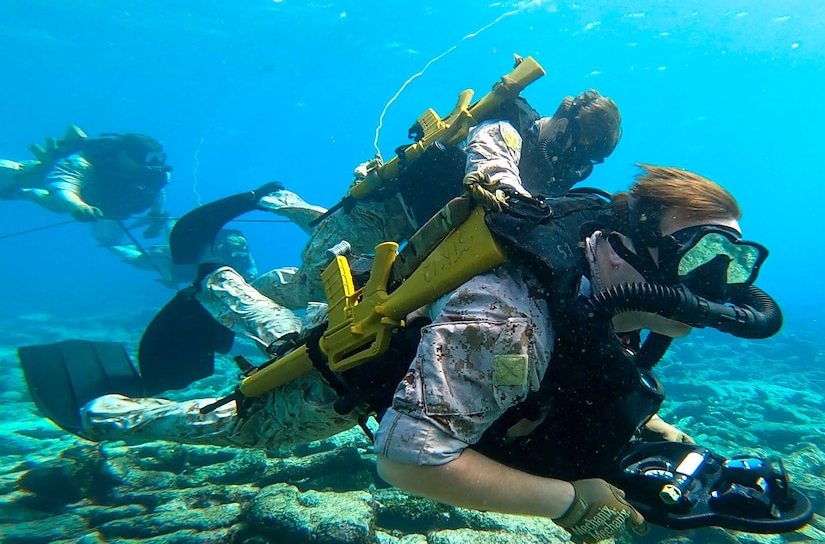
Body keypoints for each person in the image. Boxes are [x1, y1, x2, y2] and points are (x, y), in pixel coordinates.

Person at [68, 164, 781, 543]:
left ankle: (224, 286)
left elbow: (592, 369)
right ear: (628, 245)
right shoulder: (510, 322)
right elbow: (409, 458)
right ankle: (110, 412)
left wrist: (654, 431)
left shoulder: (607, 288)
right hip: (347, 377)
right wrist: (568, 506)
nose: (718, 284)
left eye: (735, 257)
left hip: (398, 329)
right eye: (701, 252)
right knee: (242, 421)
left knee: (301, 329)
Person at [251, 86, 622, 311]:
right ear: (561, 127)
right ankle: (238, 284)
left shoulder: (552, 167)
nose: (577, 167)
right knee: (311, 286)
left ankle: (287, 203)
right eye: (579, 153)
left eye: (589, 162)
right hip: (379, 212)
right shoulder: (506, 128)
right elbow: (495, 173)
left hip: (417, 230)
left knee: (329, 240)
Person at [0, 125, 173, 246]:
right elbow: (63, 184)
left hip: (96, 203)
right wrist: (79, 206)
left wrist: (156, 218)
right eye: (147, 157)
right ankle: (22, 191)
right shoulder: (86, 162)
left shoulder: (153, 174)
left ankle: (22, 193)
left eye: (157, 158)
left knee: (57, 206)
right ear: (125, 154)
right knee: (25, 180)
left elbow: (157, 192)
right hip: (50, 180)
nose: (153, 163)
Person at [108, 228, 259, 288]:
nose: (238, 256)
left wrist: (250, 277)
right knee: (137, 261)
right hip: (172, 263)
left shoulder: (242, 252)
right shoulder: (208, 251)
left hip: (184, 271)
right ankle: (113, 246)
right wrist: (169, 278)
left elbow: (251, 267)